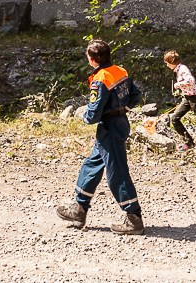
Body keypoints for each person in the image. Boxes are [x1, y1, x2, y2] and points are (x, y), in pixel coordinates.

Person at [56, 39, 145, 235]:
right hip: (118, 124)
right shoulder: (120, 71)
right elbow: (136, 95)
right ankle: (79, 209)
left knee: (117, 172)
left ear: (92, 59)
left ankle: (134, 218)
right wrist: (123, 109)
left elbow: (94, 112)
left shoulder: (100, 79)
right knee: (92, 164)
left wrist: (85, 117)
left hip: (109, 127)